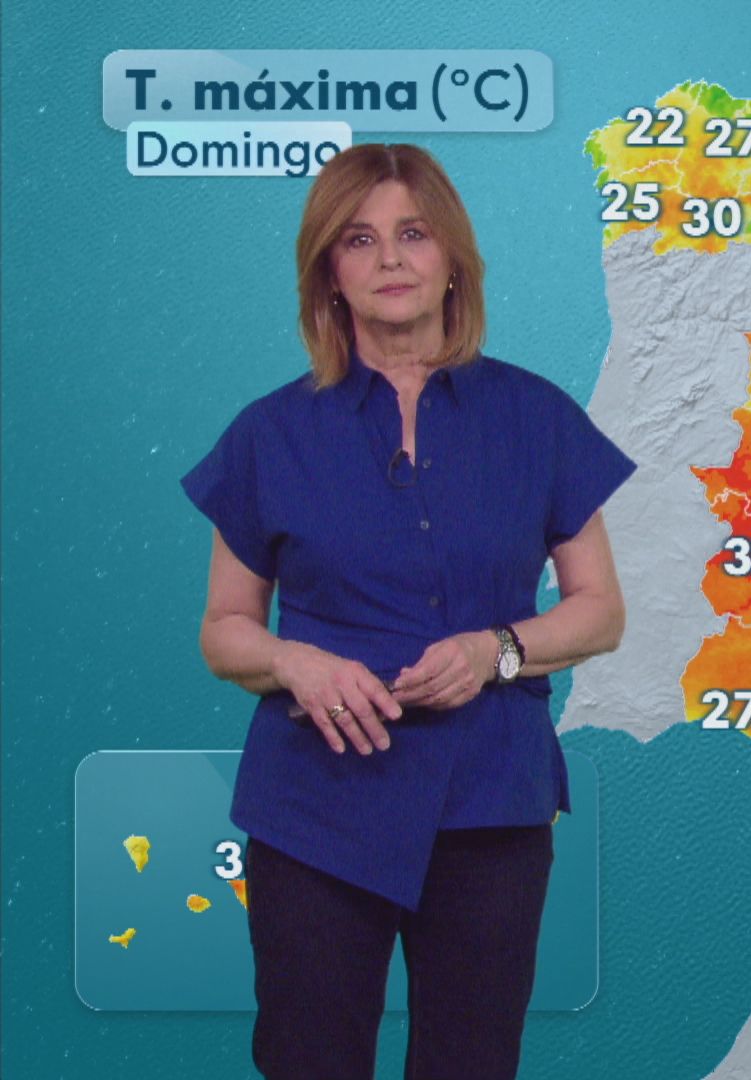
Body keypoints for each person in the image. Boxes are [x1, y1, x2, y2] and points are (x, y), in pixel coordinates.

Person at [181, 142, 637, 1079]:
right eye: (359, 239)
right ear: (329, 273)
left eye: (413, 234)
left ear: (452, 259)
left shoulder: (538, 417)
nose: (390, 258)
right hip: (316, 804)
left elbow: (599, 612)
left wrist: (493, 651)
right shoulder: (269, 433)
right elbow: (224, 629)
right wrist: (294, 661)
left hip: (490, 802)